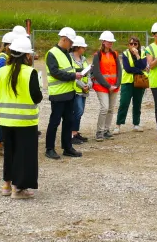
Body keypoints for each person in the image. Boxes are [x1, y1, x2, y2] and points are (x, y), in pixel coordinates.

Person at [0, 35, 42, 199]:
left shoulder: (2, 71)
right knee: (23, 155)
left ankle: (7, 185)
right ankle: (19, 188)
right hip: (25, 120)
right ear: (27, 55)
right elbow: (36, 96)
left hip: (6, 120)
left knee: (9, 153)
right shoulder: (30, 72)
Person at [45, 27, 82, 159]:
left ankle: (67, 147)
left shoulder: (66, 53)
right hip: (58, 94)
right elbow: (55, 72)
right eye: (71, 42)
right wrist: (73, 76)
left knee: (68, 121)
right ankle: (49, 148)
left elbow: (69, 69)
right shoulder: (52, 53)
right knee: (54, 122)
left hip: (69, 93)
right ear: (64, 39)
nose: (72, 45)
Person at [0, 30, 17, 155]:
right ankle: (2, 144)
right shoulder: (3, 59)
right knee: (4, 118)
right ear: (7, 46)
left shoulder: (7, 58)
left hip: (6, 93)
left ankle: (7, 142)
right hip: (2, 94)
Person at [91, 31, 122, 141]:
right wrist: (108, 86)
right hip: (102, 86)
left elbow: (119, 70)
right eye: (109, 42)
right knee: (104, 108)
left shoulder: (115, 54)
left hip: (114, 86)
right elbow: (97, 73)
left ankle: (106, 130)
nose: (111, 43)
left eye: (112, 42)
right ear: (103, 42)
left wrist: (117, 84)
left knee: (111, 109)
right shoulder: (97, 55)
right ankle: (99, 132)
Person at [116, 36, 148, 132]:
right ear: (128, 45)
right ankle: (118, 124)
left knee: (137, 103)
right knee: (124, 103)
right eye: (131, 44)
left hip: (139, 82)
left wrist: (138, 55)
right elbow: (128, 68)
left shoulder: (142, 53)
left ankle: (136, 124)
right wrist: (140, 71)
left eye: (135, 44)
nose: (133, 46)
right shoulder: (125, 53)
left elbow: (143, 65)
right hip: (127, 82)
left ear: (138, 45)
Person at [70, 37, 92, 144]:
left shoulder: (83, 60)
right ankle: (72, 134)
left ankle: (75, 132)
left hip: (84, 90)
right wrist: (83, 85)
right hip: (76, 90)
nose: (84, 49)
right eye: (83, 47)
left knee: (80, 111)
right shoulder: (69, 59)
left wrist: (88, 85)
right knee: (77, 111)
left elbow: (88, 74)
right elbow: (73, 76)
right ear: (78, 47)